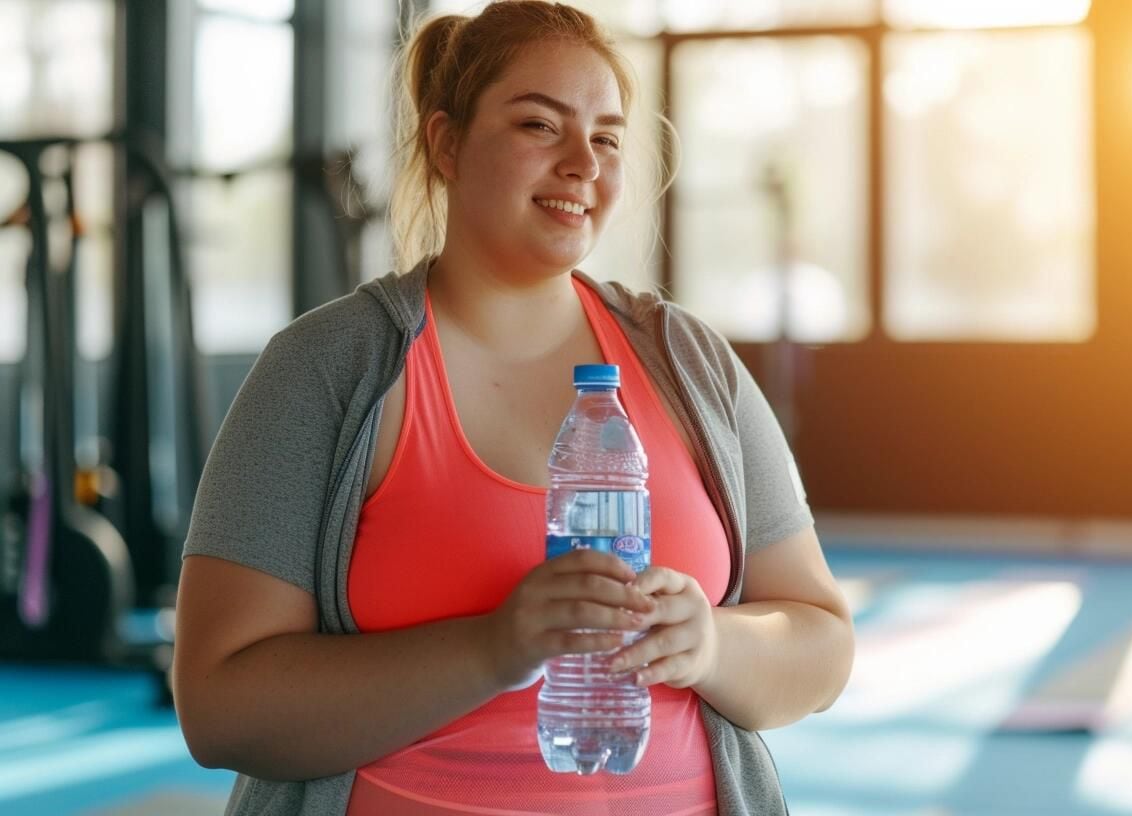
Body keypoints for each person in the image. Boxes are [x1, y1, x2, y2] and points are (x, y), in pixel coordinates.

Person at [171, 2, 855, 815]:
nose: (582, 164)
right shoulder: (327, 369)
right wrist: (497, 646)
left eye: (606, 137)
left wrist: (712, 643)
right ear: (447, 142)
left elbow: (823, 644)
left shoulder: (688, 361)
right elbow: (218, 707)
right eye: (540, 125)